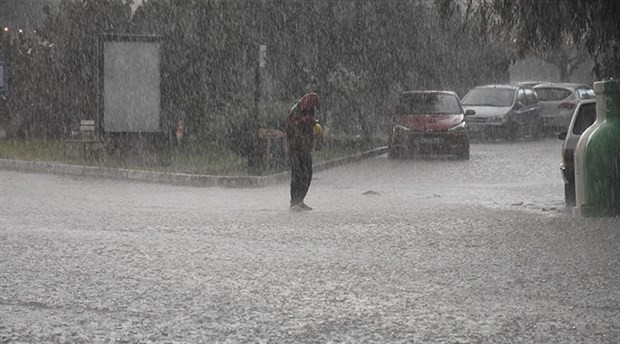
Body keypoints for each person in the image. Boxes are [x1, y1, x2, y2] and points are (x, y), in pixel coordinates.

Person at [286, 92, 323, 211]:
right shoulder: (296, 111)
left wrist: (315, 126)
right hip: (295, 149)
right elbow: (291, 128)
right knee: (297, 174)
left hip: (306, 149)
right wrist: (307, 122)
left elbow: (311, 124)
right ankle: (294, 202)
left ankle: (300, 200)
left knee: (307, 174)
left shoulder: (309, 110)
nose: (313, 109)